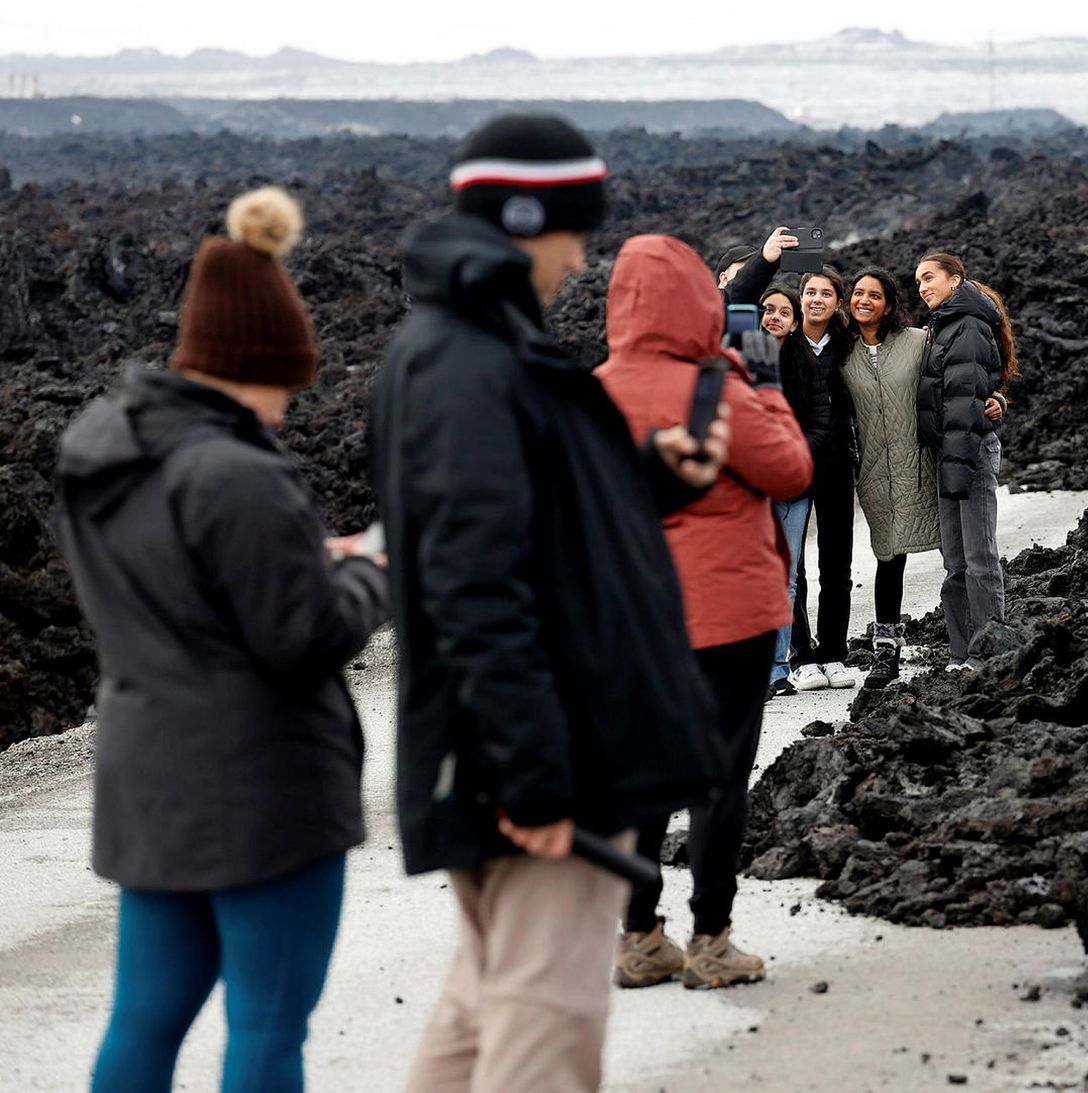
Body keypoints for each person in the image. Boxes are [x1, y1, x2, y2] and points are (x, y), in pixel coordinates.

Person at [369, 115, 729, 1093]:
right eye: (573, 236)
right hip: (540, 761)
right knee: (544, 1027)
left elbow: (541, 524)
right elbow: (471, 585)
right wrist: (532, 775)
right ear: (526, 219)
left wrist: (654, 473)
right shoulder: (470, 363)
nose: (578, 261)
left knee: (482, 1004)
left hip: (520, 749)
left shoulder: (476, 348)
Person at [54, 187, 390, 1092]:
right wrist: (372, 569)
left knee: (144, 1021)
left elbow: (184, 581)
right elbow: (305, 637)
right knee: (269, 1028)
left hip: (149, 780)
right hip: (262, 791)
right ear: (252, 359)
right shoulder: (241, 475)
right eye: (286, 380)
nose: (285, 408)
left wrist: (301, 556)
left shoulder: (102, 448)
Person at [597, 236, 812, 989]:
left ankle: (638, 937)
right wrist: (765, 381)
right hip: (728, 613)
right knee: (719, 778)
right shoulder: (718, 388)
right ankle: (711, 941)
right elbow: (790, 469)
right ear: (700, 301)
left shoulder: (587, 394)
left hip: (630, 619)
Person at [914, 252, 1020, 670]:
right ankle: (962, 653)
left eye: (929, 278)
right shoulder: (943, 325)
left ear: (955, 280)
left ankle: (991, 652)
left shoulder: (969, 325)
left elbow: (964, 402)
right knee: (955, 561)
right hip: (951, 453)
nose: (922, 287)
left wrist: (959, 458)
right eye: (918, 281)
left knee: (979, 559)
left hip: (970, 451)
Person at [838, 268, 940, 688]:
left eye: (873, 295)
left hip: (923, 464)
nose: (864, 300)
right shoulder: (841, 353)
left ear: (889, 304)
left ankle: (973, 638)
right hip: (876, 474)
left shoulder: (919, 341)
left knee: (954, 554)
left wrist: (997, 397)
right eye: (857, 293)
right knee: (888, 559)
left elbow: (971, 370)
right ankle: (887, 652)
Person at [788, 264, 861, 690]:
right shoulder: (781, 342)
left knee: (837, 562)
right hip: (791, 466)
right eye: (810, 292)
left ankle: (834, 652)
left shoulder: (848, 345)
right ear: (801, 298)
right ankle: (802, 656)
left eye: (826, 294)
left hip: (836, 464)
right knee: (792, 566)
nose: (817, 299)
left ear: (838, 303)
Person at [760, 284, 834, 699]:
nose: (774, 317)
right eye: (767, 309)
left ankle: (776, 670)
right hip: (747, 487)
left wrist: (789, 458)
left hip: (791, 484)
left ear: (794, 321)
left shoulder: (806, 363)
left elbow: (821, 422)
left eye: (784, 312)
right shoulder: (741, 355)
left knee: (784, 579)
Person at [717, 225, 800, 303]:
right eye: (743, 270)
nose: (750, 277)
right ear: (724, 279)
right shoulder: (711, 304)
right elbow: (736, 292)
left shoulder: (766, 314)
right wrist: (764, 258)